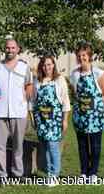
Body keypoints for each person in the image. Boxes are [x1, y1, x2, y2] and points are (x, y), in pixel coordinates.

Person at [0, 38, 33, 179]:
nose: (10, 50)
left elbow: (29, 85)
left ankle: (17, 174)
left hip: (19, 113)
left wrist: (24, 98)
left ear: (18, 49)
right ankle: (2, 175)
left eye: (13, 48)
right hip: (0, 113)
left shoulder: (24, 67)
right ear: (4, 49)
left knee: (18, 146)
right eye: (8, 48)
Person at [70, 43, 104, 184]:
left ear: (89, 56)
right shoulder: (74, 74)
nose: (81, 58)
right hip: (80, 116)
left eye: (84, 55)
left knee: (95, 145)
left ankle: (93, 173)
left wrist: (96, 107)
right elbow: (75, 93)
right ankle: (84, 172)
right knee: (82, 146)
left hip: (95, 117)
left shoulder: (98, 73)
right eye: (79, 56)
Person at [29, 55, 70, 187]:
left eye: (49, 64)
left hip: (54, 120)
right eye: (44, 65)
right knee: (45, 147)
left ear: (54, 65)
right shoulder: (38, 81)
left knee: (53, 147)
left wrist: (65, 121)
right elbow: (33, 102)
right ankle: (49, 174)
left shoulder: (59, 80)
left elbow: (65, 102)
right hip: (41, 120)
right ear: (41, 66)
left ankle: (55, 175)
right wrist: (33, 119)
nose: (47, 67)